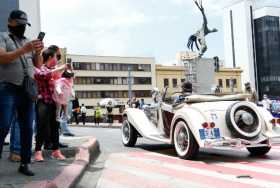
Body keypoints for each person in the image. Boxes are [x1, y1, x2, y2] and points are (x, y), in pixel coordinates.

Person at [0, 10, 43, 176]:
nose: (23, 28)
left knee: (27, 129)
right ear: (10, 22)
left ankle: (24, 163)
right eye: (20, 24)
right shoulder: (3, 37)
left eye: (25, 25)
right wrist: (23, 50)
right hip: (8, 88)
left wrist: (38, 52)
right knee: (3, 126)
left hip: (27, 90)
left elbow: (38, 65)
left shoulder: (27, 42)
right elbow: (2, 58)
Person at [34, 48, 67, 162]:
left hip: (54, 102)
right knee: (41, 127)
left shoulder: (55, 70)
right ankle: (38, 152)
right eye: (55, 57)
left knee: (55, 127)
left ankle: (56, 151)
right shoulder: (41, 68)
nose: (56, 60)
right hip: (43, 102)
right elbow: (42, 75)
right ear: (49, 58)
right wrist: (58, 69)